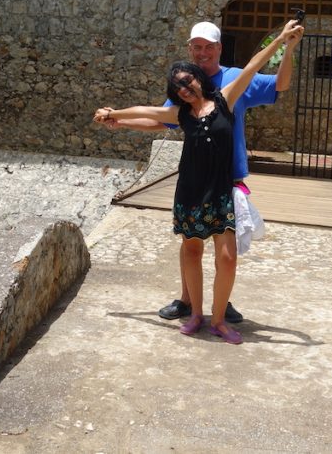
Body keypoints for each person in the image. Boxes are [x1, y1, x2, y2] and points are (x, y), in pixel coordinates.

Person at [94, 20, 304, 344]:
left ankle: (218, 313)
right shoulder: (181, 104)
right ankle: (193, 307)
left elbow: (266, 74)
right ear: (190, 52)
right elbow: (152, 115)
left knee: (226, 255)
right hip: (192, 187)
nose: (202, 53)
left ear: (217, 51)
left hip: (225, 184)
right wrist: (116, 117)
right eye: (197, 47)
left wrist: (283, 43)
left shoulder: (228, 91)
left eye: (208, 47)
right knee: (191, 249)